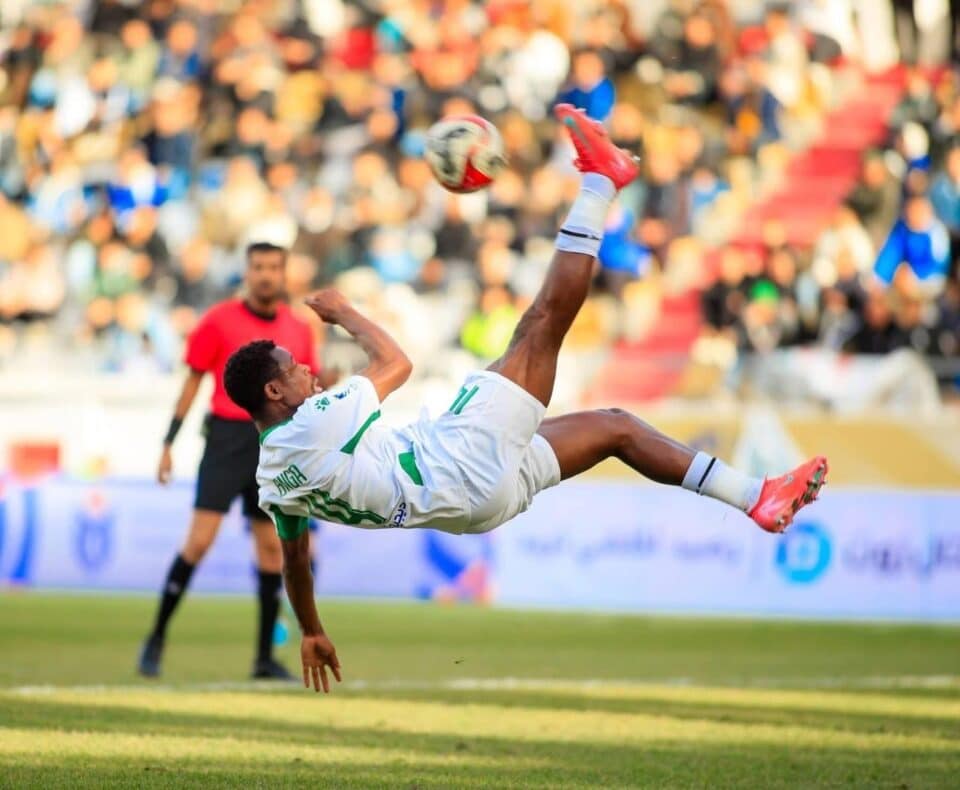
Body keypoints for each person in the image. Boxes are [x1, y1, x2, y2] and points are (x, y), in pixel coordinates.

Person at [223, 106, 828, 693]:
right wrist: (347, 313)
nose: (306, 369)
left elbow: (296, 563)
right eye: (293, 369)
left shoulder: (274, 476)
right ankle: (601, 181)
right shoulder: (314, 425)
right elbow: (395, 364)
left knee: (616, 428)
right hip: (458, 461)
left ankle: (757, 497)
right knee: (540, 325)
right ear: (274, 392)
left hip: (475, 506)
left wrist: (311, 630)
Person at [138, 242, 321, 680]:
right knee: (199, 542)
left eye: (274, 267)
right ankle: (157, 637)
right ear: (247, 271)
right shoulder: (218, 320)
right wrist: (168, 442)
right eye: (258, 267)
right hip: (225, 439)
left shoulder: (298, 330)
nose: (265, 275)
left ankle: (263, 658)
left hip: (274, 444)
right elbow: (192, 382)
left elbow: (311, 395)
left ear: (284, 273)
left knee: (272, 549)